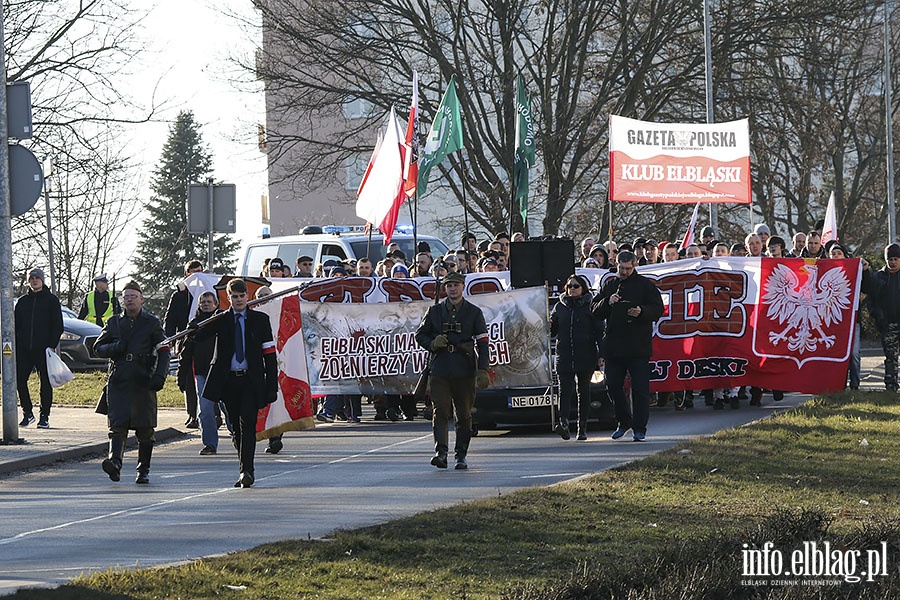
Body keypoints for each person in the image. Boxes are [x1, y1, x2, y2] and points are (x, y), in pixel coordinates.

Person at [189, 278, 278, 488]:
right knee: (235, 428)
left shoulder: (260, 320)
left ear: (247, 296)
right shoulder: (221, 320)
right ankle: (242, 466)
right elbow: (198, 337)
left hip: (250, 380)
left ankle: (247, 470)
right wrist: (194, 326)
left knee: (248, 425)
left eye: (241, 296)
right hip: (228, 382)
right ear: (227, 298)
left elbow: (270, 355)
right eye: (234, 297)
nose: (238, 300)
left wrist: (271, 385)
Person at [93, 281, 170, 484]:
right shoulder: (114, 323)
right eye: (126, 296)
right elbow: (98, 347)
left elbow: (164, 350)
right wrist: (116, 347)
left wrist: (160, 376)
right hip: (119, 379)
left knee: (145, 429)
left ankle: (143, 470)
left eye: (133, 296)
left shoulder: (152, 323)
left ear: (141, 299)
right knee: (117, 425)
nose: (129, 300)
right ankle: (114, 462)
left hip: (143, 379)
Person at [415, 271, 490, 469]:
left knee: (464, 414)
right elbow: (419, 335)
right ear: (445, 288)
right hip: (440, 368)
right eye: (449, 285)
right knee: (439, 412)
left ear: (462, 287)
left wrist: (483, 369)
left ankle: (461, 455)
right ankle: (441, 453)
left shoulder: (474, 312)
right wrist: (432, 343)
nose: (453, 289)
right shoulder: (434, 312)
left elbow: (483, 342)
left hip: (464, 369)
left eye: (456, 285)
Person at [592, 251, 664, 442]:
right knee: (613, 385)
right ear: (616, 265)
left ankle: (640, 428)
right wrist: (608, 302)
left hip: (638, 346)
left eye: (627, 269)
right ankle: (624, 421)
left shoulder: (645, 286)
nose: (624, 272)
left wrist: (642, 311)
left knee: (640, 390)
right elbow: (595, 310)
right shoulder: (610, 285)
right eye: (621, 268)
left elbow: (658, 309)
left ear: (634, 266)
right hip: (614, 346)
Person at [550, 274, 603, 441]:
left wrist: (602, 354)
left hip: (585, 354)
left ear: (583, 289)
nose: (572, 289)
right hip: (564, 354)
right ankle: (563, 423)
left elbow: (599, 332)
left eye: (576, 286)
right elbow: (552, 332)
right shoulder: (560, 307)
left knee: (583, 391)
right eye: (570, 286)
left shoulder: (590, 306)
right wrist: (550, 324)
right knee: (564, 390)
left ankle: (582, 427)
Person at [15, 267, 64, 428]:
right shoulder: (22, 302)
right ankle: (27, 413)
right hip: (24, 349)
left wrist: (51, 345)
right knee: (19, 380)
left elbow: (58, 325)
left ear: (42, 280)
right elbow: (16, 325)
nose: (34, 280)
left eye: (37, 277)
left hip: (44, 349)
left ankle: (45, 416)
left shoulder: (51, 300)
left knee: (45, 382)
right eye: (31, 278)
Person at [178, 291, 221, 455]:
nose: (205, 304)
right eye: (202, 302)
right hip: (202, 373)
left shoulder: (222, 322)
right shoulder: (193, 326)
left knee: (229, 409)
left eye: (209, 302)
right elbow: (186, 353)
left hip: (222, 372)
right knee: (205, 410)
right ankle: (210, 444)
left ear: (216, 304)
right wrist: (181, 376)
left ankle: (238, 436)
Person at [164, 259, 204, 429]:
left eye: (200, 272)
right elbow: (170, 318)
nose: (196, 275)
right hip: (185, 341)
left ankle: (213, 414)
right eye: (193, 272)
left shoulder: (207, 291)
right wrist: (170, 340)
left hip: (205, 341)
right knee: (188, 379)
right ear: (186, 274)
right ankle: (192, 415)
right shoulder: (179, 295)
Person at [862, 244, 900, 391]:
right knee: (891, 358)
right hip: (887, 324)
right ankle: (891, 386)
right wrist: (879, 318)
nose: (893, 262)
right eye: (890, 259)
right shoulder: (878, 277)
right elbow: (870, 298)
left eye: (896, 259)